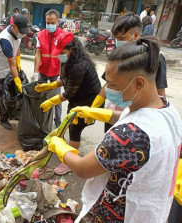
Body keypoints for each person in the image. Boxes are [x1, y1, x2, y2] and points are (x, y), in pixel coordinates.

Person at [48, 37, 182, 223]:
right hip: (155, 206)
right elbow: (134, 119)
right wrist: (95, 112)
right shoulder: (167, 109)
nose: (108, 90)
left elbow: (82, 168)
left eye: (113, 85)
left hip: (119, 213)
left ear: (139, 83)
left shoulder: (128, 136)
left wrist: (59, 146)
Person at [35, 33, 101, 175]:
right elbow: (64, 80)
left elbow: (69, 93)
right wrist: (48, 86)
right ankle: (68, 151)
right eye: (57, 51)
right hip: (77, 98)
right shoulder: (68, 60)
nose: (59, 54)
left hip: (88, 102)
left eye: (62, 51)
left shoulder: (79, 65)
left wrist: (51, 101)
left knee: (74, 129)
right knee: (71, 125)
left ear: (71, 48)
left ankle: (71, 162)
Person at [90, 12, 167, 132]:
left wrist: (158, 117)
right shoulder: (120, 53)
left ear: (136, 34)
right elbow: (108, 83)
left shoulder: (154, 56)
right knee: (111, 141)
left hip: (138, 116)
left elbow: (160, 92)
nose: (117, 42)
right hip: (114, 111)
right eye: (116, 38)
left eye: (121, 38)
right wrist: (96, 104)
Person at [0, 15, 29, 130]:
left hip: (9, 64)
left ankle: (12, 113)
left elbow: (17, 47)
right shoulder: (5, 39)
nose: (22, 34)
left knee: (11, 91)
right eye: (20, 31)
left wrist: (19, 62)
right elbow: (11, 64)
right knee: (0, 93)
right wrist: (17, 80)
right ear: (13, 26)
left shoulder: (17, 32)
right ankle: (3, 119)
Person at [34, 9, 66, 128]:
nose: (50, 25)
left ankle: (57, 121)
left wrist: (62, 74)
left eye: (53, 22)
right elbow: (38, 54)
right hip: (43, 70)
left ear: (58, 22)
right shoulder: (40, 35)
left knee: (57, 97)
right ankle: (39, 116)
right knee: (39, 93)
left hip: (56, 72)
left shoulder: (63, 36)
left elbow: (64, 57)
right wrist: (35, 71)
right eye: (48, 22)